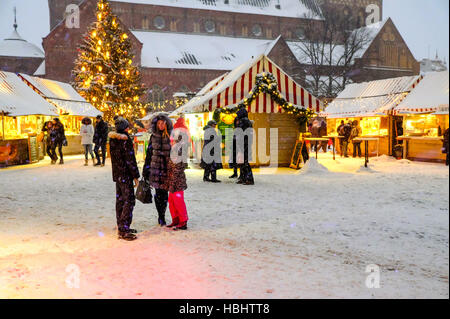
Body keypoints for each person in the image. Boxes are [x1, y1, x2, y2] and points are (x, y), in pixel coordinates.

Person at [108, 117, 140, 241]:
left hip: (118, 174)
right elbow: (130, 159)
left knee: (120, 200)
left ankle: (121, 224)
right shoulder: (125, 140)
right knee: (129, 200)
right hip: (125, 174)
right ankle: (123, 229)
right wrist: (135, 176)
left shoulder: (113, 139)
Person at [142, 113, 173, 226]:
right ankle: (160, 215)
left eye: (163, 123)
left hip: (166, 169)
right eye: (159, 123)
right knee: (157, 194)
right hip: (155, 170)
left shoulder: (170, 136)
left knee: (164, 194)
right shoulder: (153, 136)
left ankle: (163, 214)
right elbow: (149, 154)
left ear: (166, 124)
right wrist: (146, 169)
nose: (161, 125)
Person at [165, 129, 189, 230]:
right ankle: (175, 219)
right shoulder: (175, 148)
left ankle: (183, 221)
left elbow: (178, 167)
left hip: (177, 180)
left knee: (178, 200)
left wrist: (173, 180)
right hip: (173, 179)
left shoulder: (179, 149)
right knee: (171, 200)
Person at [235, 108, 254, 185]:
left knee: (244, 162)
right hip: (244, 144)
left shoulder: (244, 121)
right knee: (242, 162)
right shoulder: (246, 121)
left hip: (244, 144)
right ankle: (243, 178)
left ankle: (249, 179)